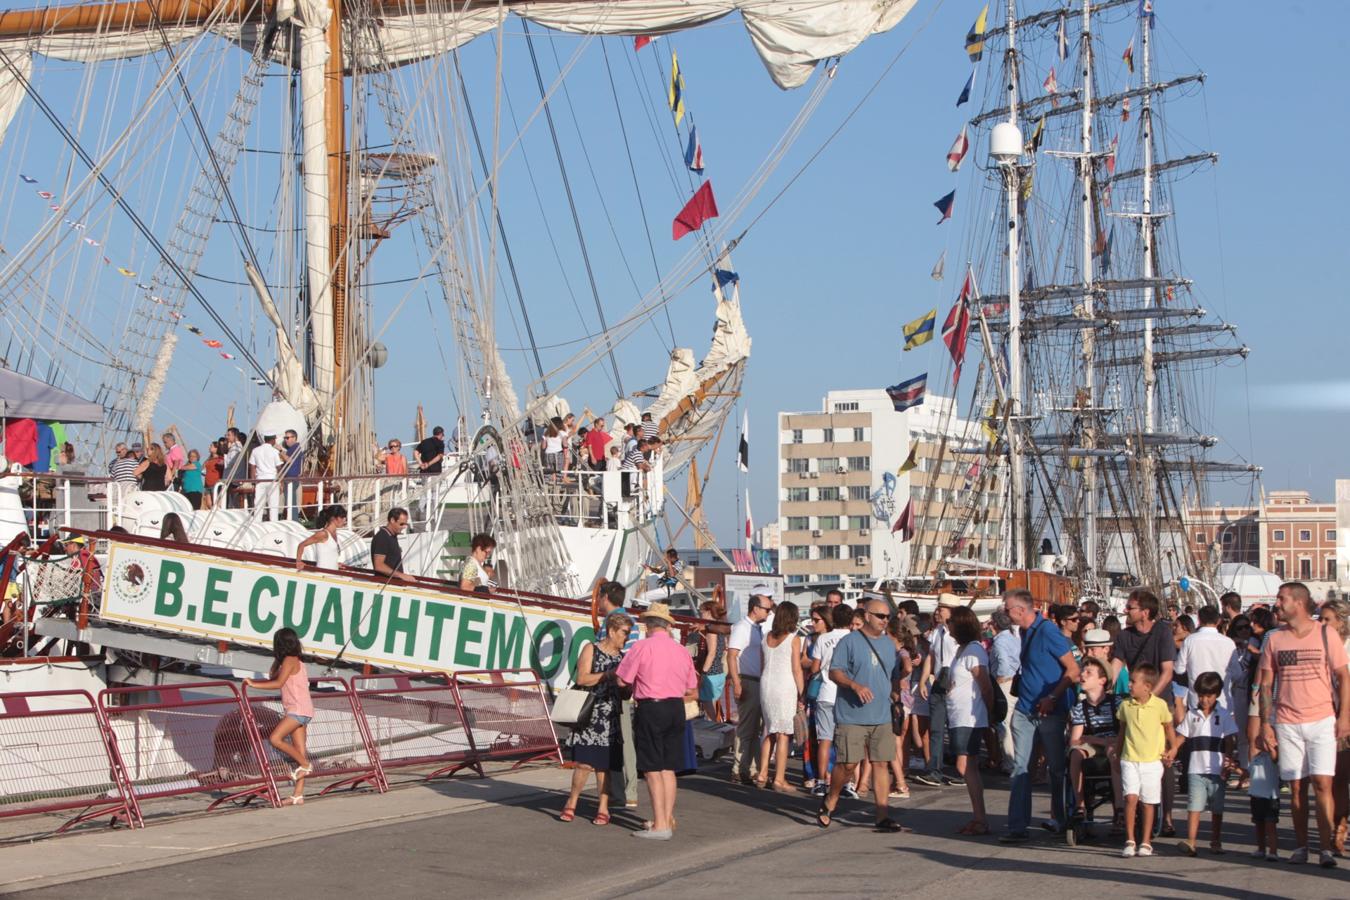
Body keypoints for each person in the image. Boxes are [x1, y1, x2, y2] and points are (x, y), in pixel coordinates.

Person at [1257, 581, 1350, 868]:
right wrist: (1265, 723)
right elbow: (1266, 683)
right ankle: (1301, 846)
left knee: (1324, 783)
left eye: (1281, 598)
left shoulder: (1326, 635)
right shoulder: (1274, 639)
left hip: (1322, 719)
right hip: (1287, 721)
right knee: (1297, 787)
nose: (1277, 604)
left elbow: (1344, 677)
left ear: (1298, 602)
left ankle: (1324, 847)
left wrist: (1344, 717)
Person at [816, 598, 907, 834]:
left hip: (881, 715)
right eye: (880, 616)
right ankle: (831, 798)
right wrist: (854, 686)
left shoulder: (889, 644)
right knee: (847, 764)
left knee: (881, 763)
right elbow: (835, 672)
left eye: (888, 617)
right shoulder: (849, 642)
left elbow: (893, 674)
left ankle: (882, 814)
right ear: (867, 616)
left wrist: (896, 693)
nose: (884, 621)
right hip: (852, 714)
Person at [1000, 589, 1080, 843]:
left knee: (1056, 769)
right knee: (1021, 767)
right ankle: (1017, 826)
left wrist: (1053, 697)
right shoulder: (1024, 631)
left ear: (1021, 610)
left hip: (1049, 711)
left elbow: (1073, 670)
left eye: (1007, 608)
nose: (1004, 612)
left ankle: (1061, 817)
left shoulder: (1048, 632)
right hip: (1025, 709)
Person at [615, 603, 697, 841]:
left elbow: (622, 680)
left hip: (651, 706)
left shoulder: (642, 647)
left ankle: (661, 824)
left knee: (652, 768)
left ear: (648, 625)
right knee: (668, 767)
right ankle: (666, 817)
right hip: (675, 707)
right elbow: (691, 686)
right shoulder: (680, 650)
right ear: (667, 626)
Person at [560, 611, 631, 825]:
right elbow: (582, 678)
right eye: (624, 633)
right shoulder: (592, 649)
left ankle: (603, 807)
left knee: (604, 765)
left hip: (611, 716)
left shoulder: (624, 658)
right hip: (590, 713)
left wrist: (627, 686)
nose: (625, 638)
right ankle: (571, 802)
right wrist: (608, 675)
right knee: (583, 763)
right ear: (611, 630)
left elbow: (626, 694)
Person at [1116, 663, 1183, 858]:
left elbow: (1168, 728)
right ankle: (1129, 839)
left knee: (1148, 802)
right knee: (1130, 798)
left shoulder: (1160, 705)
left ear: (1147, 686)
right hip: (1129, 758)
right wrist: (1117, 754)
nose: (1129, 685)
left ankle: (1145, 841)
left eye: (1133, 682)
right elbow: (1122, 732)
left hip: (1152, 761)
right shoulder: (1125, 706)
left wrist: (1173, 749)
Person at [244, 628, 314, 806]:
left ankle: (305, 765)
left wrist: (254, 684)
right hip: (303, 710)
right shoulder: (294, 660)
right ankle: (298, 795)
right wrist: (277, 662)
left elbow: (278, 683)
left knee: (275, 738)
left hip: (297, 710)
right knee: (299, 750)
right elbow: (273, 675)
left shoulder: (289, 660)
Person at [1176, 671, 1238, 857]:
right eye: (1201, 695)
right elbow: (1182, 737)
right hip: (1196, 768)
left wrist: (1228, 758)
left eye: (1209, 696)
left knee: (1216, 808)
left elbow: (1229, 739)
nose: (1204, 700)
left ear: (1217, 695)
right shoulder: (1191, 715)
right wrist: (1172, 750)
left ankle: (1216, 841)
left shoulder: (1224, 714)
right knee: (1194, 806)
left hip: (1216, 768)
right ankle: (1191, 841)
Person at [946, 605, 994, 836]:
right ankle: (978, 817)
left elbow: (984, 684)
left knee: (965, 765)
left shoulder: (975, 650)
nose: (948, 627)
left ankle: (980, 817)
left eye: (951, 623)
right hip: (959, 714)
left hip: (970, 715)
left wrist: (991, 712)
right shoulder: (962, 650)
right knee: (966, 765)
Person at [1068, 656, 1123, 830]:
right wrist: (1097, 740)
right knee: (1075, 753)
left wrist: (1101, 741)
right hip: (1093, 743)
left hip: (1114, 742)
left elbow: (1123, 731)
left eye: (1088, 672)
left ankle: (1120, 807)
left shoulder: (1117, 703)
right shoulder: (1080, 707)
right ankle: (1080, 805)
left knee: (1114, 753)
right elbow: (1075, 740)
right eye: (1083, 671)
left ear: (1102, 680)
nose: (1082, 674)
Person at [598, 581, 639, 810]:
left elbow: (607, 653)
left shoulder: (613, 623)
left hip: (614, 686)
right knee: (625, 740)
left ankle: (623, 792)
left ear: (605, 597)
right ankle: (627, 790)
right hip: (625, 686)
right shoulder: (629, 620)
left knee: (618, 740)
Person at [728, 585, 773, 785]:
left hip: (756, 681)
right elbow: (732, 655)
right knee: (747, 728)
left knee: (755, 728)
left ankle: (750, 768)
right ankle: (739, 769)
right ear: (755, 608)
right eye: (766, 608)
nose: (768, 612)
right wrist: (737, 683)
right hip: (747, 680)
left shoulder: (756, 628)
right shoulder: (741, 627)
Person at [757, 600, 804, 792]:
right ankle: (779, 778)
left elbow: (763, 665)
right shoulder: (794, 639)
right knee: (784, 734)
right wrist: (802, 693)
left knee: (770, 730)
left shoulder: (766, 637)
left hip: (766, 685)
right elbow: (796, 669)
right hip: (785, 686)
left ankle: (762, 774)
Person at [915, 594, 962, 787]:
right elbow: (931, 657)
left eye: (941, 608)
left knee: (957, 728)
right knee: (936, 728)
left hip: (954, 682)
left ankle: (961, 771)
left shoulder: (957, 633)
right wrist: (924, 679)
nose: (937, 612)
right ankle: (934, 768)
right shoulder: (937, 632)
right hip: (939, 681)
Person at [810, 603, 853, 798]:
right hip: (847, 696)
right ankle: (846, 783)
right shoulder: (854, 640)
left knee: (825, 740)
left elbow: (814, 668)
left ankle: (820, 781)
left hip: (826, 693)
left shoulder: (823, 639)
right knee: (846, 743)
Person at [1319, 599, 1350, 854]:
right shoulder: (1320, 646)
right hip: (1331, 718)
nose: (1322, 623)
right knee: (1337, 778)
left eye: (1327, 619)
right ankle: (1338, 829)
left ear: (1341, 622)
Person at [1110, 589, 1175, 702]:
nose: (1125, 610)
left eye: (1130, 608)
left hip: (1161, 703)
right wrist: (1105, 688)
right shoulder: (1124, 636)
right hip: (1135, 702)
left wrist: (1149, 700)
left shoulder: (1163, 632)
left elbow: (1167, 672)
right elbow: (1115, 668)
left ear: (1145, 613)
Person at [1175, 605, 1242, 710]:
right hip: (1222, 702)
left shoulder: (1190, 640)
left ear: (1199, 619)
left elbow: (1179, 669)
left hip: (1197, 701)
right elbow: (1237, 674)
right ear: (1218, 621)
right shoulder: (1228, 642)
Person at [1247, 685, 1282, 861]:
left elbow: (1276, 758)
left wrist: (1271, 746)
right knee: (1258, 823)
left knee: (1270, 825)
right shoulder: (1256, 757)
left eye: (1264, 738)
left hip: (1270, 796)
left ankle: (1273, 851)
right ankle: (1261, 848)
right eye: (1259, 738)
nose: (1260, 740)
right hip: (1256, 795)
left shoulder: (1272, 757)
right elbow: (1249, 771)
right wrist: (1234, 768)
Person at [989, 609, 1020, 775]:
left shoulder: (999, 641)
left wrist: (1000, 678)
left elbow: (1003, 663)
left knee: (1004, 724)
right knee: (1014, 724)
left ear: (995, 624)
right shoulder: (1014, 639)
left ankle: (1010, 763)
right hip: (1016, 683)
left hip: (1005, 684)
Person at [694, 599, 726, 720]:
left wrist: (703, 673)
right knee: (711, 703)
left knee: (709, 707)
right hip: (719, 672)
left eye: (702, 611)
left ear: (708, 612)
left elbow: (711, 653)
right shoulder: (720, 628)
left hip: (711, 673)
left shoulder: (711, 631)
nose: (701, 614)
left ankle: (715, 729)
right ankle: (716, 728)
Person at [295, 505, 347, 571]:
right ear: (333, 518)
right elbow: (302, 545)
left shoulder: (335, 533)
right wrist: (298, 561)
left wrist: (335, 564)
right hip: (322, 575)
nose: (345, 519)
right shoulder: (323, 534)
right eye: (342, 517)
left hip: (333, 574)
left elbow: (328, 554)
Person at [371, 507, 414, 584]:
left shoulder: (392, 536)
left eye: (405, 524)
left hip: (394, 584)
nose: (404, 527)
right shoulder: (382, 537)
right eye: (401, 524)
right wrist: (402, 575)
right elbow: (379, 565)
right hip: (385, 585)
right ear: (392, 520)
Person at [249, 434, 284, 521]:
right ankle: (273, 523)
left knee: (258, 505)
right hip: (272, 480)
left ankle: (257, 524)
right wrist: (281, 483)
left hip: (260, 481)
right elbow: (279, 468)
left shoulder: (255, 451)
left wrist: (253, 481)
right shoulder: (275, 451)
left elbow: (252, 467)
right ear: (273, 440)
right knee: (273, 505)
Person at [281, 429, 304, 520]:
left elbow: (289, 460)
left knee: (290, 501)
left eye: (287, 437)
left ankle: (294, 520)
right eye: (285, 438)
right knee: (290, 501)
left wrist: (280, 451)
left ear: (294, 438)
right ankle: (292, 519)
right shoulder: (293, 449)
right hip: (290, 478)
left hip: (291, 479)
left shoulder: (295, 448)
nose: (286, 440)